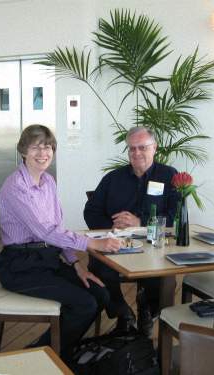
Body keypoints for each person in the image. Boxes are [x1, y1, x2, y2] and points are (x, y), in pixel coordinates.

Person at [0, 124, 121, 362]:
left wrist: (75, 264)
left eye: (48, 147)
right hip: (20, 266)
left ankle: (59, 349)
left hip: (47, 259)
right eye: (36, 147)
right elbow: (44, 231)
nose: (43, 153)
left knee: (101, 293)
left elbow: (57, 228)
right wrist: (93, 244)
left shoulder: (49, 182)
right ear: (23, 150)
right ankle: (38, 357)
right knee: (84, 304)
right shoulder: (15, 187)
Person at [84, 126, 180, 336]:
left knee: (162, 270)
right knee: (100, 267)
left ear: (154, 148)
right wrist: (111, 227)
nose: (136, 153)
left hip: (153, 244)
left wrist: (141, 222)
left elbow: (176, 216)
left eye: (142, 148)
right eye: (132, 149)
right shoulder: (113, 178)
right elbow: (90, 211)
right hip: (116, 244)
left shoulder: (168, 176)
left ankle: (148, 312)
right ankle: (122, 313)